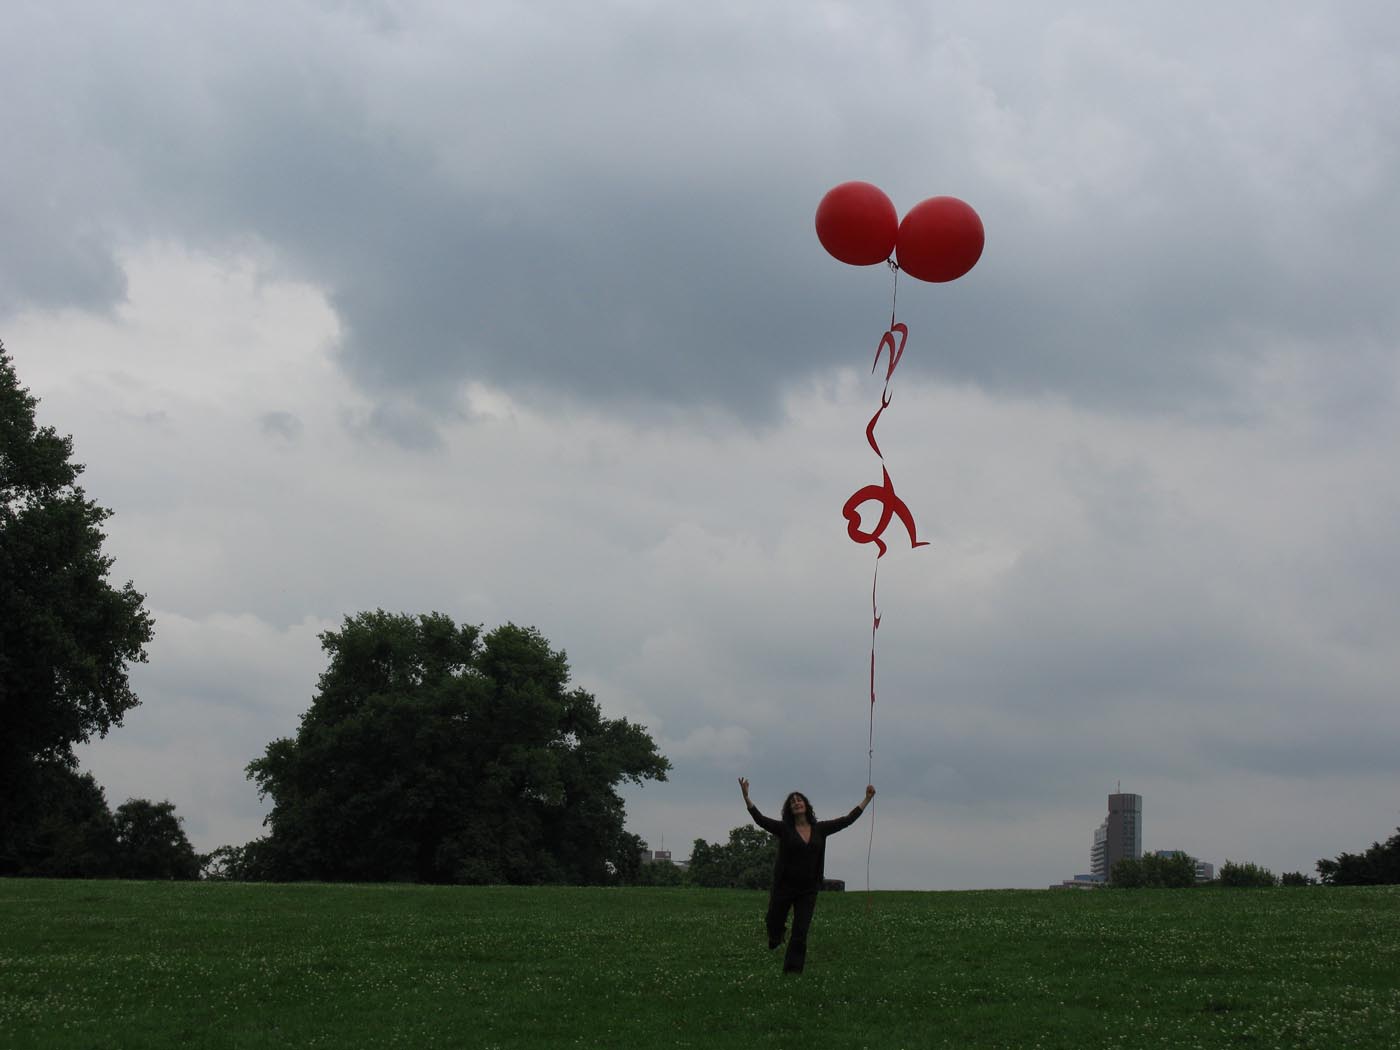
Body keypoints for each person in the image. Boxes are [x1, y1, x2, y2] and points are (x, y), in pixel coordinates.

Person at [738, 776, 876, 974]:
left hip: (808, 889)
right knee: (773, 921)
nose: (796, 803)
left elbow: (847, 820)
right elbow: (760, 820)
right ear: (789, 809)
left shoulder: (820, 829)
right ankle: (775, 937)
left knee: (800, 931)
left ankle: (792, 972)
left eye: (799, 800)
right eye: (792, 802)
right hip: (784, 886)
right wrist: (746, 797)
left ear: (806, 805)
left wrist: (867, 799)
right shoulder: (785, 829)